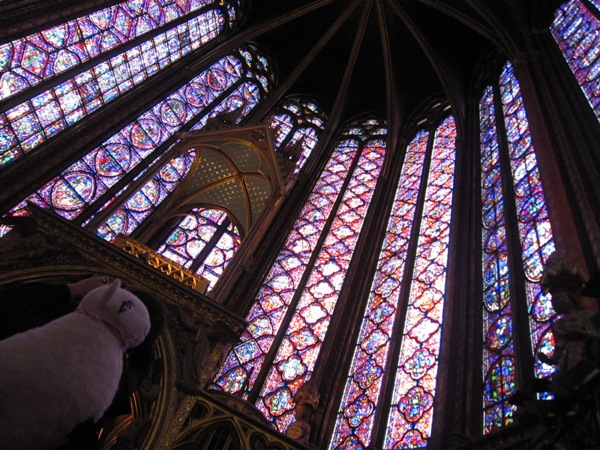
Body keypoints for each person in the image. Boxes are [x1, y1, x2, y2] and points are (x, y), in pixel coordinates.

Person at [0, 275, 166, 449]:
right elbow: (140, 369)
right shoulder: (116, 383)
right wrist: (144, 331)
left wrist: (72, 290)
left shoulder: (52, 330)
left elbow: (8, 302)